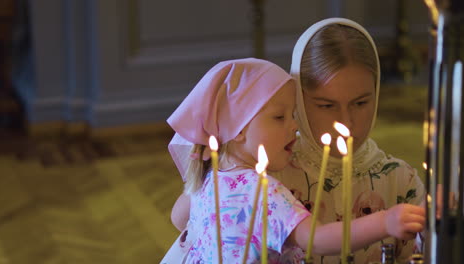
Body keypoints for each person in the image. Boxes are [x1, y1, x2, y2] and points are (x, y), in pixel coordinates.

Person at [163, 57, 425, 263]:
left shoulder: (211, 174)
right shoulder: (262, 192)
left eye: (294, 114)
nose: (294, 126)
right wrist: (385, 221)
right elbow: (318, 239)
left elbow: (178, 219)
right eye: (280, 117)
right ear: (239, 128)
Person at [272, 17, 426, 264]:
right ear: (299, 100)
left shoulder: (399, 180)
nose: (346, 122)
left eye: (360, 103)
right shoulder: (271, 175)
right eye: (327, 105)